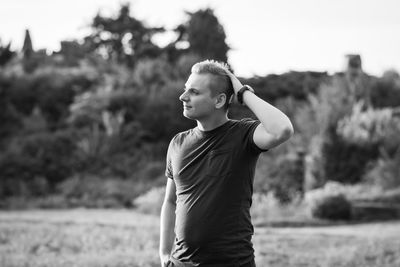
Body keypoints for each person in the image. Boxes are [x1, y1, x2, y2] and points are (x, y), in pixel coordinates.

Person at [159, 60, 294, 267]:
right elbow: (170, 201)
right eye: (186, 89)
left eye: (194, 92)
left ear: (219, 100)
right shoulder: (178, 142)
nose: (183, 96)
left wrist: (243, 92)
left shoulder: (243, 135)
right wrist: (164, 253)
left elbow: (282, 129)